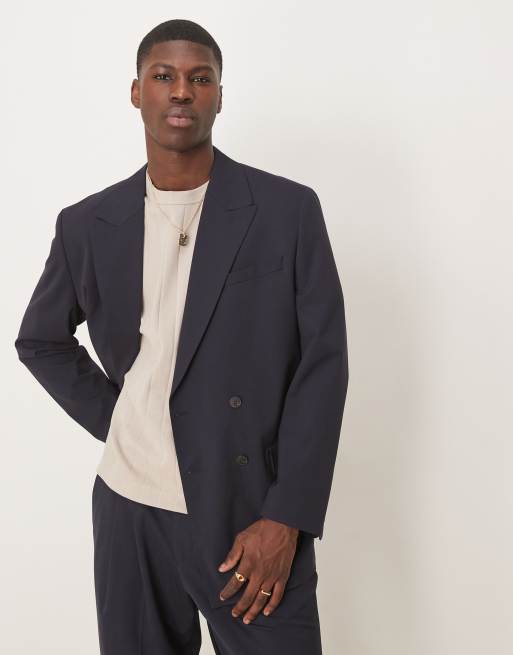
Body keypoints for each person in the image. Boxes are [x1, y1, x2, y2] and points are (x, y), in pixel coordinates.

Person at [14, 18, 349, 655]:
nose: (181, 91)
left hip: (247, 507)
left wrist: (288, 516)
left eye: (200, 78)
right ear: (136, 91)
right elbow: (41, 340)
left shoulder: (286, 210)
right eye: (163, 76)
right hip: (130, 506)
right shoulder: (87, 222)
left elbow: (323, 366)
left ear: (219, 96)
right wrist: (122, 418)